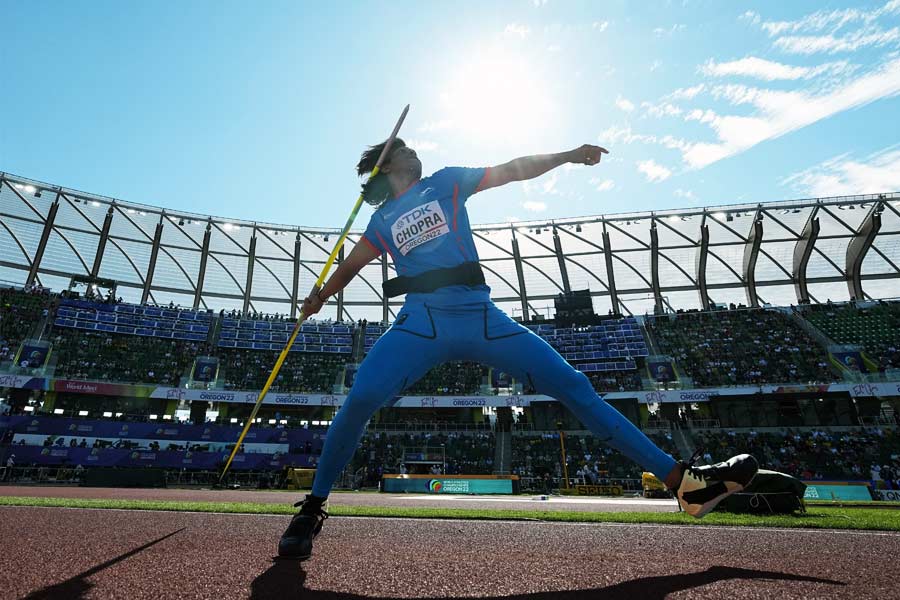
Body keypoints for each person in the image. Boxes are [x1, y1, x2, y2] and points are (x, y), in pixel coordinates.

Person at [277, 138, 758, 560]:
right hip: (420, 321)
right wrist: (321, 295)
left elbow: (511, 169)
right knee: (361, 396)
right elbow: (352, 264)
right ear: (388, 164)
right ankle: (312, 510)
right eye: (406, 149)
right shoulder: (382, 219)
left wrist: (567, 156)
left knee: (574, 385)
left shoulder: (445, 182)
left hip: (481, 317)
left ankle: (685, 485)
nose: (416, 152)